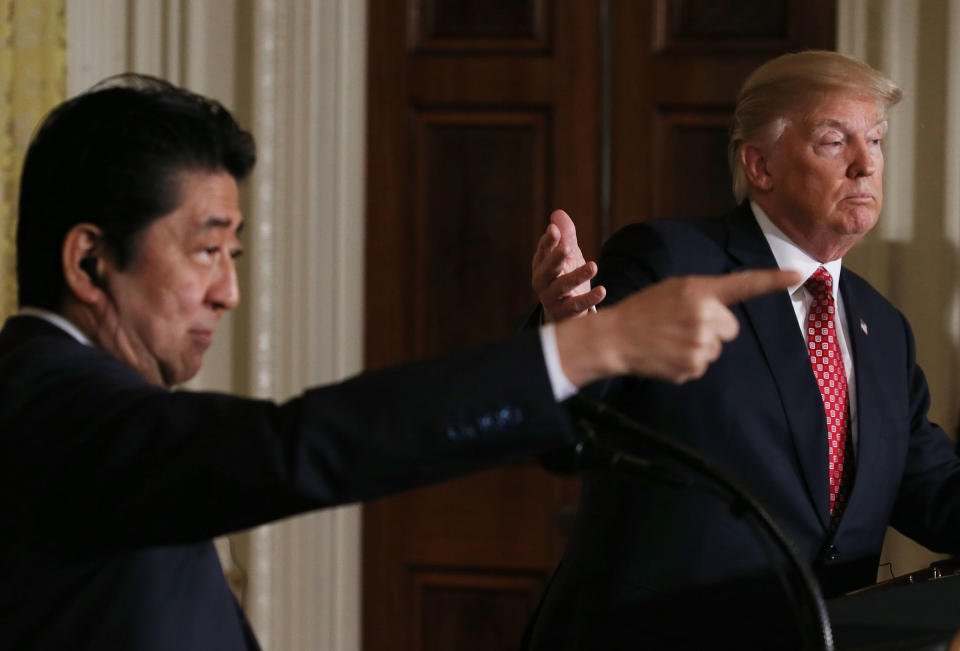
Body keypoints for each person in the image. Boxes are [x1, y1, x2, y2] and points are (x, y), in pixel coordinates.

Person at [0, 75, 795, 650]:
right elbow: (298, 443)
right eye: (207, 250)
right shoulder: (43, 404)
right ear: (89, 261)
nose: (229, 292)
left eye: (234, 253)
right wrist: (598, 345)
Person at [524, 50, 960, 649]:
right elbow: (574, 420)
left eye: (877, 141)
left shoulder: (883, 329)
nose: (866, 165)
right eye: (835, 141)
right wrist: (569, 328)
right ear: (760, 166)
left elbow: (934, 491)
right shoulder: (672, 261)